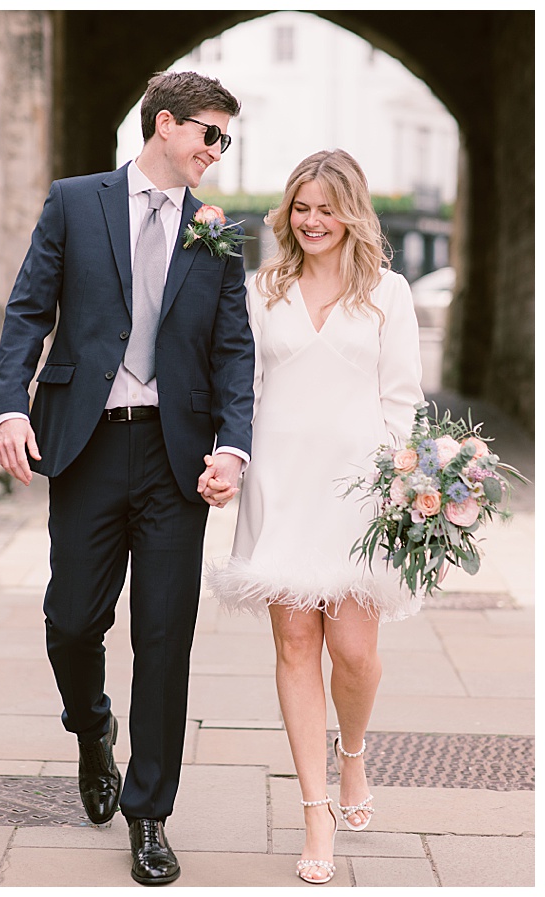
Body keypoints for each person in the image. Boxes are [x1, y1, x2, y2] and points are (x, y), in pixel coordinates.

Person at [0, 71, 254, 886]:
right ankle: (92, 726)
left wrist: (233, 448)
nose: (217, 151)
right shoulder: (75, 201)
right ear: (166, 125)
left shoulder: (215, 231)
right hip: (87, 443)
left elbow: (233, 350)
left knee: (163, 638)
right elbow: (29, 308)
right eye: (211, 134)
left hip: (177, 457)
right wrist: (9, 407)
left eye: (225, 140)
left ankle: (150, 814)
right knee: (72, 620)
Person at [205, 149, 423, 884]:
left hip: (361, 489)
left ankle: (353, 755)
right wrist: (229, 459)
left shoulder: (388, 292)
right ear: (288, 213)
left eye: (327, 208)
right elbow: (246, 386)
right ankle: (314, 812)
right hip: (282, 482)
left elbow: (402, 399)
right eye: (302, 207)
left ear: (352, 212)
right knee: (297, 643)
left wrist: (401, 486)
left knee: (355, 650)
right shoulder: (263, 289)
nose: (313, 221)